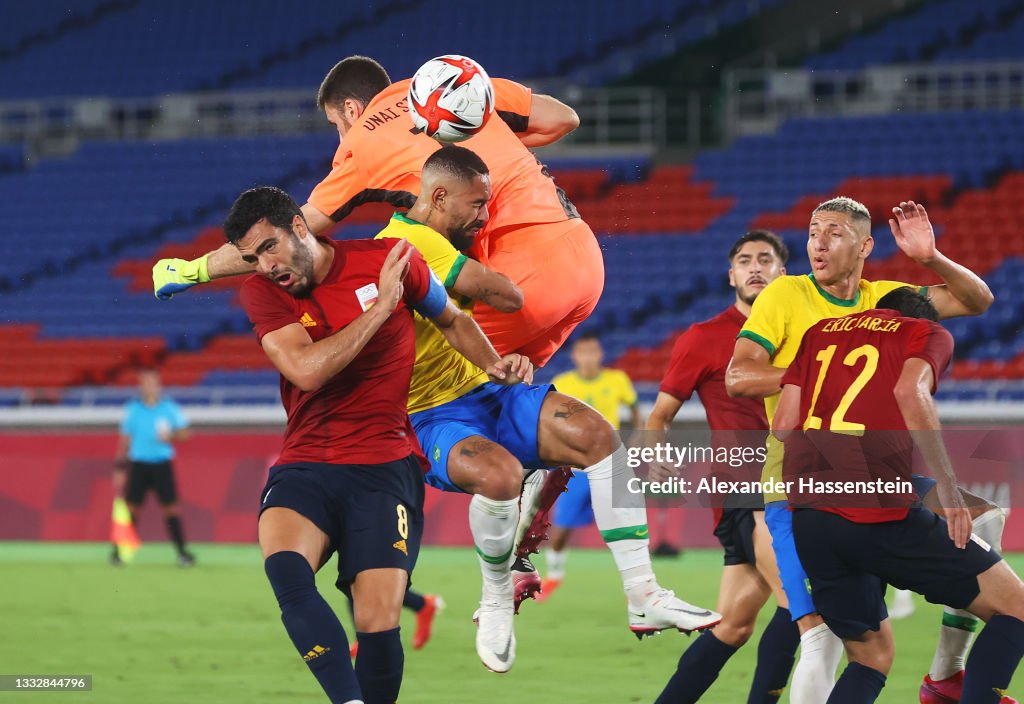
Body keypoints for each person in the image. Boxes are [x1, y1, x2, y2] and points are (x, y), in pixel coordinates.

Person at [373, 145, 720, 673]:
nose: (484, 215)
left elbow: (467, 323)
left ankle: (643, 595)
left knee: (598, 436)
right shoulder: (406, 243)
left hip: (490, 391)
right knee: (499, 475)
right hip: (432, 414)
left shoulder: (448, 237)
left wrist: (502, 358)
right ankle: (495, 594)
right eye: (476, 204)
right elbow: (507, 298)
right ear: (438, 197)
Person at [228, 185, 531, 704]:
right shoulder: (263, 293)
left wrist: (493, 365)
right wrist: (381, 307)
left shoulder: (390, 261)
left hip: (386, 468)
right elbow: (306, 370)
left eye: (270, 247)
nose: (265, 266)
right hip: (308, 462)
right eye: (253, 258)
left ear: (300, 227)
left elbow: (453, 318)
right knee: (287, 571)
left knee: (378, 620)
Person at [153, 54, 602, 369]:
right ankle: (544, 474)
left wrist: (195, 270)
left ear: (351, 108)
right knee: (503, 387)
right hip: (583, 257)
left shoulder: (363, 141)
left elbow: (292, 232)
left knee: (390, 379)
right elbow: (564, 118)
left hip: (520, 275)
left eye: (336, 126)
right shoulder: (458, 88)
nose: (339, 139)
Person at [726, 197, 1003, 704]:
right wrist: (821, 379)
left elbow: (977, 301)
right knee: (820, 638)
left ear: (864, 246)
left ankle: (946, 673)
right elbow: (738, 376)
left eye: (833, 233)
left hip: (876, 483)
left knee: (982, 519)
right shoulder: (786, 294)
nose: (819, 243)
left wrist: (931, 259)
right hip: (797, 485)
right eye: (813, 232)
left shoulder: (885, 298)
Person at [773, 287, 1024, 704]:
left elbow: (783, 423)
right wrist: (946, 484)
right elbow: (911, 393)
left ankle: (946, 681)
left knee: (871, 656)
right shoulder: (925, 332)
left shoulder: (819, 333)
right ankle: (951, 682)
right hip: (875, 513)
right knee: (1016, 608)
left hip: (810, 515)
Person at [649, 231, 801, 703]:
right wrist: (655, 455)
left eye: (765, 259)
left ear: (783, 273)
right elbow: (659, 415)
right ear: (730, 273)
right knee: (801, 602)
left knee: (733, 626)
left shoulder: (804, 330)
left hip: (797, 482)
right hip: (746, 487)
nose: (755, 267)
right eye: (744, 260)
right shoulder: (704, 338)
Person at [535, 331, 641, 601]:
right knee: (561, 529)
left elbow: (636, 413)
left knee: (622, 526)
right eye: (583, 352)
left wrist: (638, 441)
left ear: (600, 354)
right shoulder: (563, 383)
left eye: (593, 351)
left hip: (612, 466)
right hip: (576, 469)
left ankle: (636, 583)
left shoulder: (617, 380)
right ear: (575, 356)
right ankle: (555, 575)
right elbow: (550, 423)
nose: (588, 357)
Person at [112, 367, 194, 567]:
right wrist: (120, 468)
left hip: (161, 464)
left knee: (171, 509)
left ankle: (182, 553)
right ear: (140, 385)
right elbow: (125, 440)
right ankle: (119, 553)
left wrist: (171, 436)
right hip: (139, 463)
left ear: (158, 385)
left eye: (152, 382)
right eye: (145, 382)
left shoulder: (169, 408)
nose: (149, 386)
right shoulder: (133, 409)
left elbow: (185, 433)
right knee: (131, 509)